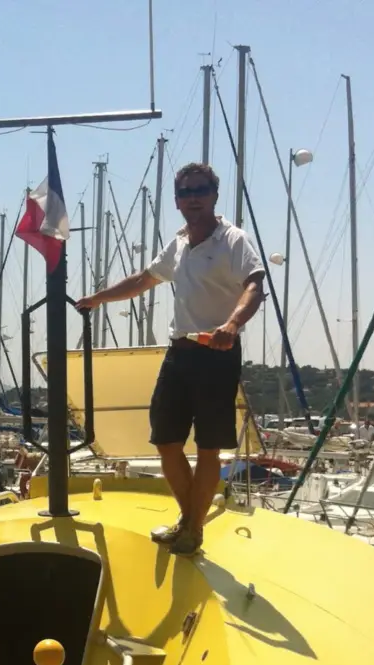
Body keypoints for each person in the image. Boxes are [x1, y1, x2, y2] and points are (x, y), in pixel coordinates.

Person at [76, 162, 265, 556]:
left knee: (209, 447)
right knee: (165, 440)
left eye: (200, 190)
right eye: (185, 192)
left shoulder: (232, 240)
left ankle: (191, 529)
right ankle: (190, 521)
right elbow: (145, 279)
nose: (193, 198)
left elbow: (254, 285)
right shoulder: (178, 243)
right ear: (178, 201)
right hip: (179, 353)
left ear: (214, 193)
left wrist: (231, 324)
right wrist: (99, 298)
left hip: (217, 353)